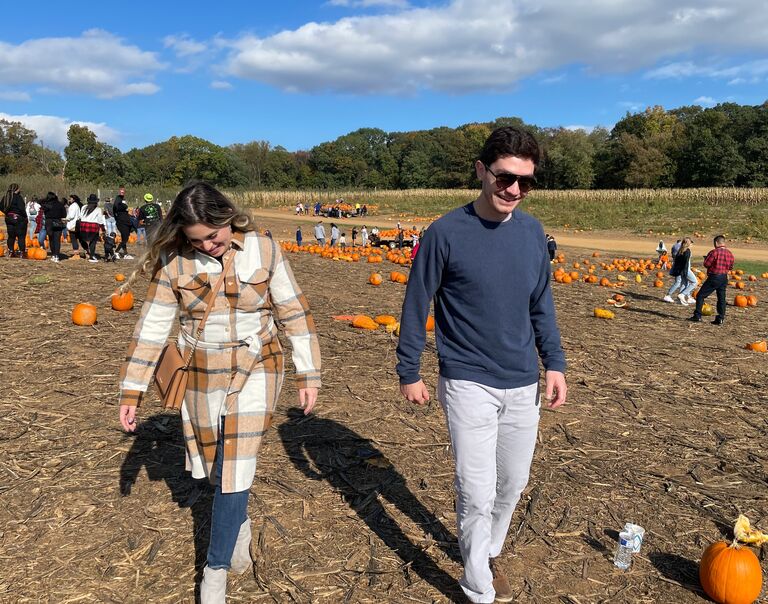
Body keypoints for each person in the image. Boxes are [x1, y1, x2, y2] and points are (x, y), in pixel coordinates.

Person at [117, 182, 321, 603]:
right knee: (214, 466)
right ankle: (237, 519)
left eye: (215, 235)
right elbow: (153, 327)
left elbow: (293, 311)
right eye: (198, 240)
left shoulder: (264, 249)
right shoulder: (174, 262)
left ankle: (215, 572)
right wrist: (132, 390)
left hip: (257, 363)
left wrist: (309, 373)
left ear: (228, 217)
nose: (209, 245)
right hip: (201, 369)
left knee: (237, 463)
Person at [396, 126, 567, 604]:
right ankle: (477, 585)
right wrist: (409, 370)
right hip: (467, 378)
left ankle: (488, 550)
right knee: (476, 488)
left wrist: (554, 362)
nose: (514, 189)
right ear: (481, 171)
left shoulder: (533, 233)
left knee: (512, 482)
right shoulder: (445, 233)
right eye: (505, 177)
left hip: (522, 380)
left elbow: (541, 304)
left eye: (525, 182)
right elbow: (416, 304)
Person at [689, 235, 734, 325]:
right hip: (724, 277)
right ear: (723, 242)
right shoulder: (730, 253)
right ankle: (720, 318)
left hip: (714, 277)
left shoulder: (714, 252)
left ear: (716, 243)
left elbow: (706, 264)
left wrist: (706, 259)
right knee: (721, 298)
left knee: (700, 295)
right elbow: (731, 267)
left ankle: (697, 315)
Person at [664, 237, 696, 305]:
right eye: (691, 243)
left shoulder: (681, 250)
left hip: (681, 270)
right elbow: (686, 263)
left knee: (684, 284)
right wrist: (684, 272)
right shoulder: (687, 251)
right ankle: (681, 294)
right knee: (694, 282)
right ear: (688, 244)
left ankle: (681, 299)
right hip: (685, 270)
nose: (692, 244)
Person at [2, 183, 27, 258]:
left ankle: (11, 251)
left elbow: (1, 207)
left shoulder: (6, 197)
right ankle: (22, 253)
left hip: (9, 219)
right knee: (21, 236)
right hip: (19, 219)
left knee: (11, 236)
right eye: (19, 188)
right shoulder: (18, 197)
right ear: (16, 189)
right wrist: (25, 216)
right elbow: (22, 208)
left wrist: (7, 213)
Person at [79, 194, 106, 262]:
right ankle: (92, 256)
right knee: (93, 242)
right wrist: (103, 229)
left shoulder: (84, 207)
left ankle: (86, 249)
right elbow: (100, 220)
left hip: (83, 225)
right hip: (93, 226)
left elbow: (80, 216)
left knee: (82, 239)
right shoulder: (98, 209)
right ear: (96, 202)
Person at [41, 192, 66, 262]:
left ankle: (53, 254)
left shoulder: (47, 205)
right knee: (57, 240)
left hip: (49, 223)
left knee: (51, 239)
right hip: (58, 222)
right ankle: (57, 256)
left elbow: (40, 203)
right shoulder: (60, 204)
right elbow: (64, 214)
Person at [113, 192, 135, 259]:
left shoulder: (115, 208)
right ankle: (116, 252)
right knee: (125, 239)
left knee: (124, 239)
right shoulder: (120, 206)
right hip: (124, 225)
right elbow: (125, 207)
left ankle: (125, 253)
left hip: (121, 224)